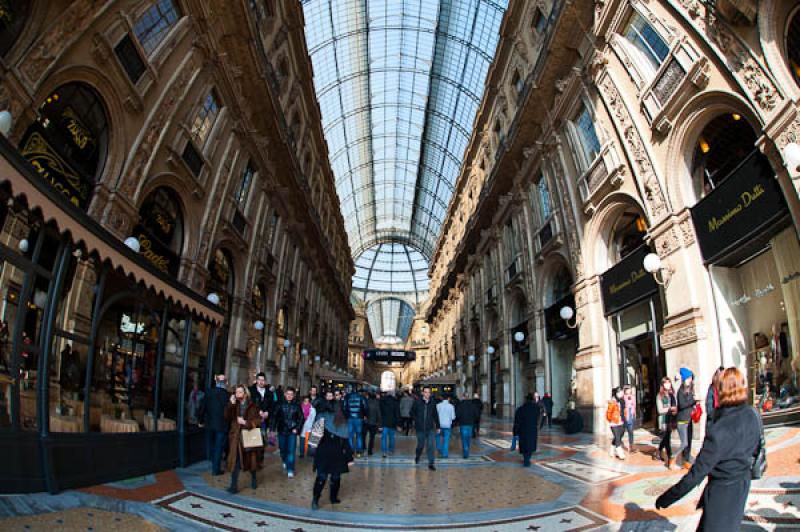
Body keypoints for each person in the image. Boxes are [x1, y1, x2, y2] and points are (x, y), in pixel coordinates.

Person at [655, 368, 762, 530]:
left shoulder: (719, 429)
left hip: (722, 493)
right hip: (742, 484)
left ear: (721, 390)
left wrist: (666, 498)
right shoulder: (753, 414)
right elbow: (756, 449)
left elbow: (696, 474)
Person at [312, 391, 354, 510]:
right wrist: (349, 457)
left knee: (324, 476)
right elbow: (346, 440)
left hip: (328, 451)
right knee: (331, 477)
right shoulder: (338, 419)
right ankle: (327, 498)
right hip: (333, 452)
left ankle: (319, 499)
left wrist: (312, 448)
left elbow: (315, 435)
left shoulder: (326, 417)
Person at [224, 384, 261, 493]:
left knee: (251, 460)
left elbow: (258, 421)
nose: (237, 394)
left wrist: (246, 423)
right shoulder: (234, 404)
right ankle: (233, 486)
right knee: (235, 461)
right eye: (236, 392)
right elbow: (226, 417)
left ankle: (254, 478)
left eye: (240, 392)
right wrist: (231, 404)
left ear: (245, 393)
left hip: (248, 436)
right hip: (236, 437)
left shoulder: (253, 406)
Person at [271, 387, 304, 478]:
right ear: (285, 394)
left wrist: (297, 428)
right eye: (288, 394)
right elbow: (274, 417)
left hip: (292, 432)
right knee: (282, 450)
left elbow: (301, 418)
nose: (289, 396)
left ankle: (290, 469)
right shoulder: (279, 404)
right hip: (281, 430)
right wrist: (272, 429)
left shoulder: (297, 405)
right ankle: (285, 460)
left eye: (291, 394)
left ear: (293, 396)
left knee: (291, 451)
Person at [201, 374, 230, 475]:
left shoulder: (209, 392)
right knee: (218, 447)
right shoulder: (228, 395)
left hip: (209, 424)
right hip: (222, 426)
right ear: (226, 383)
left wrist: (200, 420)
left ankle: (213, 463)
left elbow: (202, 407)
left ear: (216, 382)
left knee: (212, 445)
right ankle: (215, 469)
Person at [411, 386, 440, 470]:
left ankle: (431, 463)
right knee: (420, 445)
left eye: (429, 392)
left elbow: (435, 415)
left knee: (430, 445)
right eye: (426, 392)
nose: (427, 394)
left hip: (430, 428)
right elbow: (411, 412)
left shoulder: (433, 403)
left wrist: (438, 426)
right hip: (420, 428)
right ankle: (417, 456)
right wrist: (417, 420)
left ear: (430, 394)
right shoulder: (417, 402)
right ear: (423, 393)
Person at [675, 367, 697, 469]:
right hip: (683, 419)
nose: (690, 380)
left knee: (689, 439)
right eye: (688, 378)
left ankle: (687, 459)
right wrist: (694, 401)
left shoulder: (690, 389)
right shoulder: (680, 391)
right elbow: (682, 405)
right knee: (684, 442)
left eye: (690, 378)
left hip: (689, 418)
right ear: (684, 379)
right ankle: (682, 459)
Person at [513, 393, 541, 467]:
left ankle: (526, 459)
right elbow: (538, 418)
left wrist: (515, 432)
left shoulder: (520, 409)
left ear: (525, 400)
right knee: (530, 445)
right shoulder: (536, 408)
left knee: (524, 445)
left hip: (523, 430)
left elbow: (517, 422)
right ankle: (527, 459)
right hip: (532, 430)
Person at [656, 376, 677, 468]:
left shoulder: (672, 394)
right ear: (662, 384)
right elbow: (660, 410)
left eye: (669, 382)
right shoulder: (659, 395)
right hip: (664, 420)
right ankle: (670, 460)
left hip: (671, 419)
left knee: (665, 438)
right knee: (667, 440)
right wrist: (669, 408)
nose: (667, 384)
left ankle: (658, 451)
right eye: (665, 383)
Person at [344, 388, 368, 457]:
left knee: (350, 435)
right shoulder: (361, 397)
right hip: (359, 418)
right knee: (359, 435)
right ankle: (359, 452)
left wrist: (347, 416)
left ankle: (351, 451)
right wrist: (365, 415)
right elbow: (365, 407)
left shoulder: (347, 397)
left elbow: (344, 407)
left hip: (350, 418)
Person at [455, 393, 478, 458]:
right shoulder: (473, 405)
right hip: (470, 424)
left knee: (464, 438)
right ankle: (466, 451)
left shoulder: (460, 405)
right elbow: (476, 415)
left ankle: (466, 453)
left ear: (463, 397)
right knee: (468, 438)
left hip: (463, 424)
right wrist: (474, 420)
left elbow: (457, 414)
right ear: (468, 397)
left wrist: (458, 421)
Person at [379, 390, 401, 457]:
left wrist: (380, 423)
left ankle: (384, 452)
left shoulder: (382, 401)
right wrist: (398, 424)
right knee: (392, 437)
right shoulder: (395, 401)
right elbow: (397, 414)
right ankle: (391, 450)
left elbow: (380, 413)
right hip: (393, 422)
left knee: (384, 437)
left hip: (384, 422)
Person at [606, 387, 626, 460]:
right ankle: (619, 452)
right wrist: (611, 420)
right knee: (617, 437)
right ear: (617, 393)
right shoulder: (612, 401)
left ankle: (612, 449)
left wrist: (624, 418)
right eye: (621, 392)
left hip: (621, 421)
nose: (622, 393)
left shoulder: (622, 401)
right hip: (614, 422)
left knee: (620, 436)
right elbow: (608, 413)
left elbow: (624, 410)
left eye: (622, 392)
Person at [363, 392, 382, 456]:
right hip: (373, 423)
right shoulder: (377, 403)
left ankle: (363, 447)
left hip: (365, 422)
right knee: (372, 437)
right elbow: (379, 414)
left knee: (364, 435)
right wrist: (379, 423)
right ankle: (370, 451)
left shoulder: (366, 402)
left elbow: (363, 411)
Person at [622, 385, 637, 453]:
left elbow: (634, 406)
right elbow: (623, 407)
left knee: (631, 431)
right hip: (626, 415)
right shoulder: (623, 397)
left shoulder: (633, 397)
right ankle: (617, 444)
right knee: (624, 431)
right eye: (627, 389)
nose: (629, 390)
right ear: (625, 390)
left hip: (631, 414)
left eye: (630, 389)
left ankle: (631, 446)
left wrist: (634, 415)